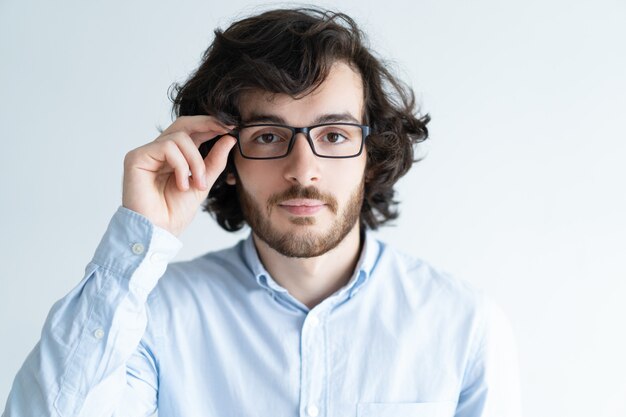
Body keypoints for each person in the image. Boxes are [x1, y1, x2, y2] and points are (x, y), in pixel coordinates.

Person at [2, 7, 521, 417]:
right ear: (223, 157)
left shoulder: (464, 324)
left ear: (371, 154)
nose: (303, 169)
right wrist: (143, 234)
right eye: (269, 136)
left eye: (335, 135)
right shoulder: (152, 316)